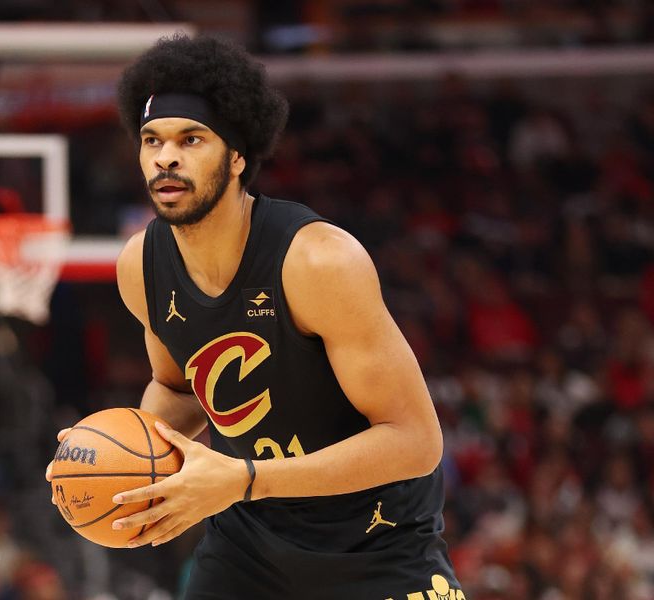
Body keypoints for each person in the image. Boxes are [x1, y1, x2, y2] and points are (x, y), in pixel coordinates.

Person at [48, 34, 462, 600]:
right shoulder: (139, 267)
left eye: (190, 139)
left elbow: (416, 442)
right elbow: (179, 389)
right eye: (152, 140)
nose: (165, 156)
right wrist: (114, 460)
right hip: (250, 544)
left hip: (376, 545)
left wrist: (245, 480)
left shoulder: (318, 260)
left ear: (238, 156)